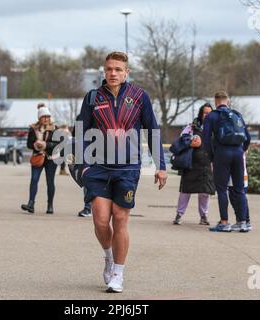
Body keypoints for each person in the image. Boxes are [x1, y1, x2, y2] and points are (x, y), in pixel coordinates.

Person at [77, 51, 167, 293]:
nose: (113, 73)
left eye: (118, 69)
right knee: (100, 220)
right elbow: (80, 132)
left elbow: (152, 130)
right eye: (109, 69)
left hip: (128, 168)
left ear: (127, 72)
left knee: (120, 219)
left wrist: (161, 166)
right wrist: (82, 165)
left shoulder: (139, 96)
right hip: (97, 167)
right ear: (104, 72)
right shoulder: (92, 97)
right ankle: (108, 255)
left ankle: (118, 272)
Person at [203, 91, 251, 232]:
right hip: (237, 152)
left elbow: (206, 139)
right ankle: (243, 222)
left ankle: (224, 222)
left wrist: (212, 157)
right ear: (227, 101)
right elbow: (247, 137)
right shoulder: (237, 114)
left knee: (222, 189)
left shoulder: (212, 116)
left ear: (215, 101)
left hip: (222, 153)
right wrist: (242, 150)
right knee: (239, 188)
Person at [173, 103, 215, 226]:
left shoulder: (215, 128)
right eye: (205, 112)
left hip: (206, 164)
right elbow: (181, 140)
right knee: (185, 191)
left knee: (205, 192)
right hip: (191, 163)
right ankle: (179, 215)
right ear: (201, 114)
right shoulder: (191, 127)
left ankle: (203, 216)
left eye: (210, 113)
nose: (207, 115)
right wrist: (190, 142)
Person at [21, 104, 59, 214]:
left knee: (50, 182)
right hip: (38, 157)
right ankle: (31, 204)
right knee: (34, 179)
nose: (46, 119)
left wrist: (46, 144)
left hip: (51, 158)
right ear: (39, 118)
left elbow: (58, 143)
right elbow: (28, 144)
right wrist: (35, 145)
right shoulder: (33, 129)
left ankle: (50, 205)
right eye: (44, 117)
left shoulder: (54, 128)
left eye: (48, 116)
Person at [228, 152, 252, 231]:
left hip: (236, 171)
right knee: (240, 195)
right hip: (241, 171)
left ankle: (242, 221)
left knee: (236, 196)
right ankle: (245, 221)